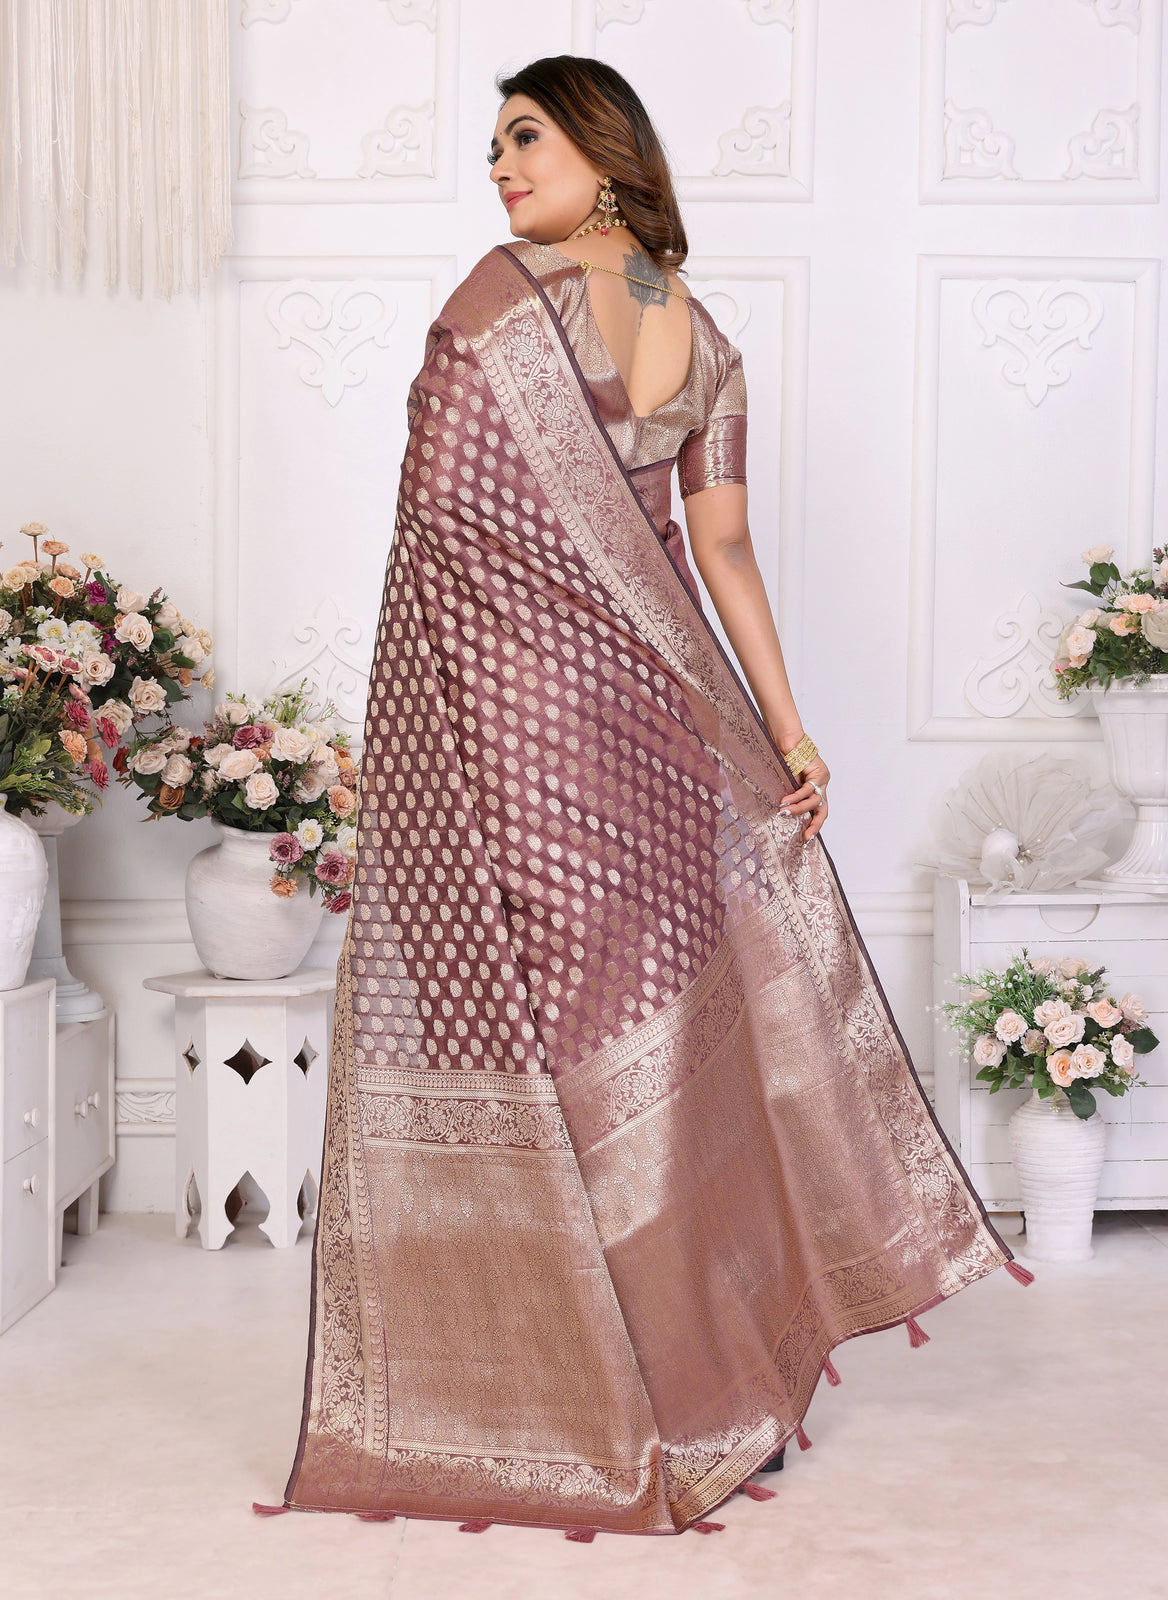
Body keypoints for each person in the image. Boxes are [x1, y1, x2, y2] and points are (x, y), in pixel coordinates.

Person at [266, 55, 1031, 1541]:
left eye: (524, 137)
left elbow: (441, 527)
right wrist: (786, 730)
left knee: (569, 1064)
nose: (496, 169)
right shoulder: (710, 341)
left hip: (528, 747)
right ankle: (723, 1393)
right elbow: (720, 559)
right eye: (492, 146)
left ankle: (616, 1400)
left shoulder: (497, 311)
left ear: (602, 152)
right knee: (655, 1070)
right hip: (666, 756)